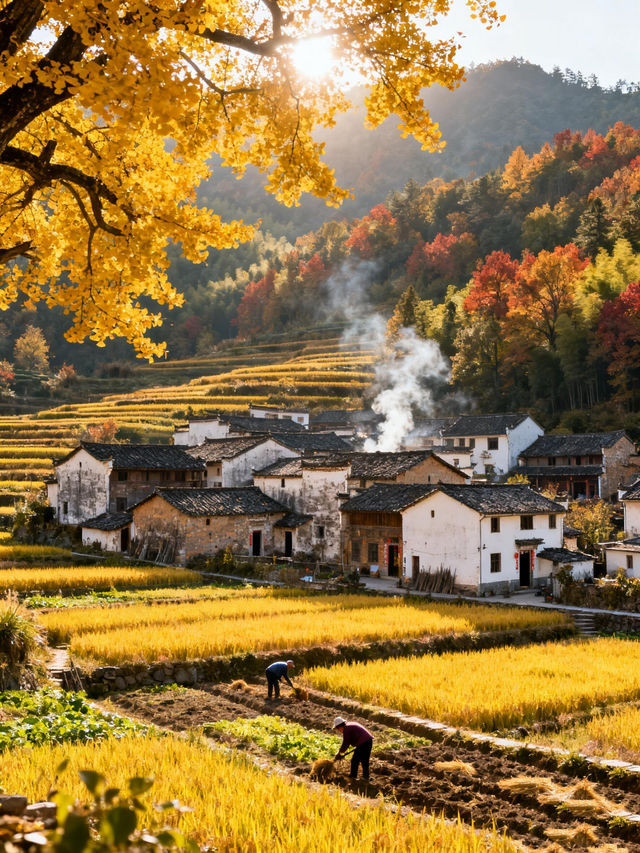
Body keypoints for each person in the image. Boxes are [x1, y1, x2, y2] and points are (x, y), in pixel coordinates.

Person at [333, 716, 373, 780]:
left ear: (339, 727)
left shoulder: (346, 729)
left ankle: (353, 776)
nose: (338, 731)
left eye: (337, 729)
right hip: (369, 741)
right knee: (364, 760)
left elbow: (346, 743)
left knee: (355, 760)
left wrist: (339, 753)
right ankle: (366, 777)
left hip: (363, 743)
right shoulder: (350, 725)